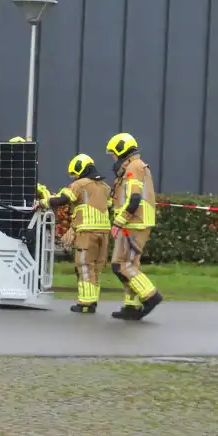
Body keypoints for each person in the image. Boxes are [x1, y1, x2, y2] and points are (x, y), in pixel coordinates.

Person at [36, 154, 111, 314]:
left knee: (84, 266)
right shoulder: (105, 187)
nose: (74, 177)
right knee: (96, 268)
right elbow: (109, 204)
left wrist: (43, 202)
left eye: (75, 173)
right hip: (104, 232)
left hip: (87, 231)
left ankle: (86, 303)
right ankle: (93, 300)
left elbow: (62, 199)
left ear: (80, 169)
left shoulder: (80, 184)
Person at [104, 132, 163, 320]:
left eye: (113, 154)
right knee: (130, 265)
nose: (113, 158)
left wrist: (118, 222)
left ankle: (150, 296)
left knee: (121, 264)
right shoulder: (132, 167)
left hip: (134, 222)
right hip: (135, 221)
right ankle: (131, 305)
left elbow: (134, 198)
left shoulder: (134, 167)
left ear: (121, 150)